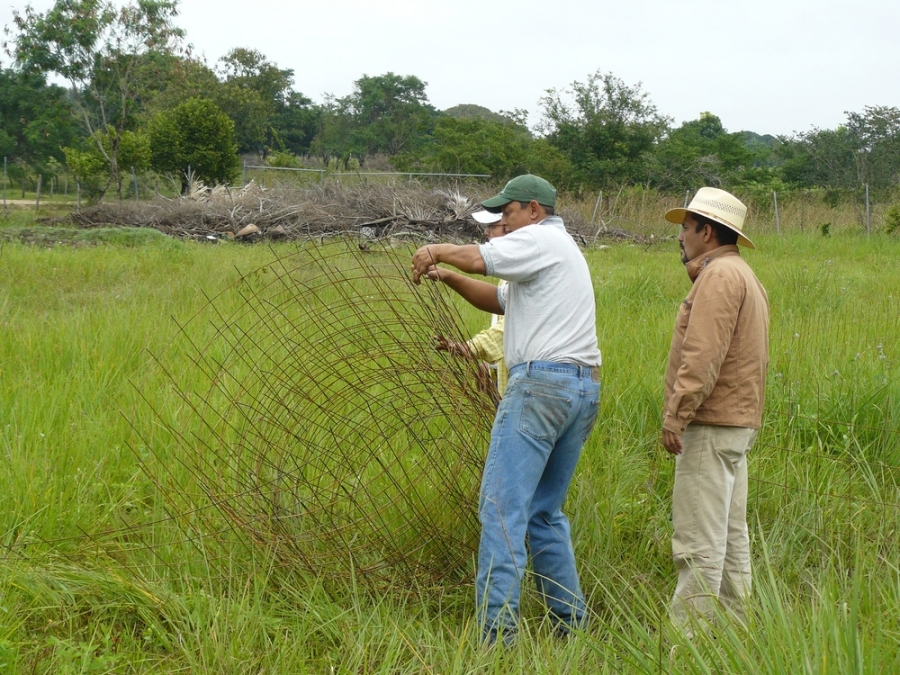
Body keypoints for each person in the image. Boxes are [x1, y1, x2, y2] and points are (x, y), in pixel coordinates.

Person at [411, 174, 601, 645]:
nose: (502, 221)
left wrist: (436, 250)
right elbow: (497, 297)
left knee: (501, 511)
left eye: (508, 212)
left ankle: (497, 638)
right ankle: (570, 626)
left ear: (534, 210)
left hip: (541, 388)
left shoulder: (538, 238)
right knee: (544, 514)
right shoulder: (561, 250)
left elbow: (481, 258)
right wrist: (452, 278)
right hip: (581, 391)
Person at [661, 187, 770, 635]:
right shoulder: (742, 273)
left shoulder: (720, 277)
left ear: (707, 231)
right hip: (733, 423)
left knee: (699, 544)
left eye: (686, 228)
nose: (681, 237)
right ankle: (734, 638)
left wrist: (677, 414)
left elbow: (703, 356)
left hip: (711, 422)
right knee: (729, 537)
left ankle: (685, 647)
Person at [435, 210, 509, 399]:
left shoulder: (526, 273)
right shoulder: (508, 279)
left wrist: (468, 348)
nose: (487, 233)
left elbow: (512, 327)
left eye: (493, 227)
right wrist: (490, 366)